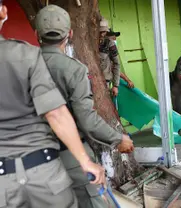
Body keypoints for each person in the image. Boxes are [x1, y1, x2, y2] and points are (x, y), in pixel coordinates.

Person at [0, 2, 105, 208]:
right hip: (44, 174)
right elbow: (56, 113)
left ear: (38, 33)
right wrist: (85, 161)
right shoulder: (26, 55)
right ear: (4, 12)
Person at [34, 5, 134, 208]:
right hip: (69, 157)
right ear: (69, 34)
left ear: (37, 34)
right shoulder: (74, 70)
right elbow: (87, 120)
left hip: (31, 163)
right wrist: (118, 138)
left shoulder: (20, 67)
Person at [99, 19, 121, 96]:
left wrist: (115, 85)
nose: (101, 34)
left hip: (105, 81)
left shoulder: (110, 44)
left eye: (104, 32)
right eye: (100, 32)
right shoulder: (89, 44)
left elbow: (116, 63)